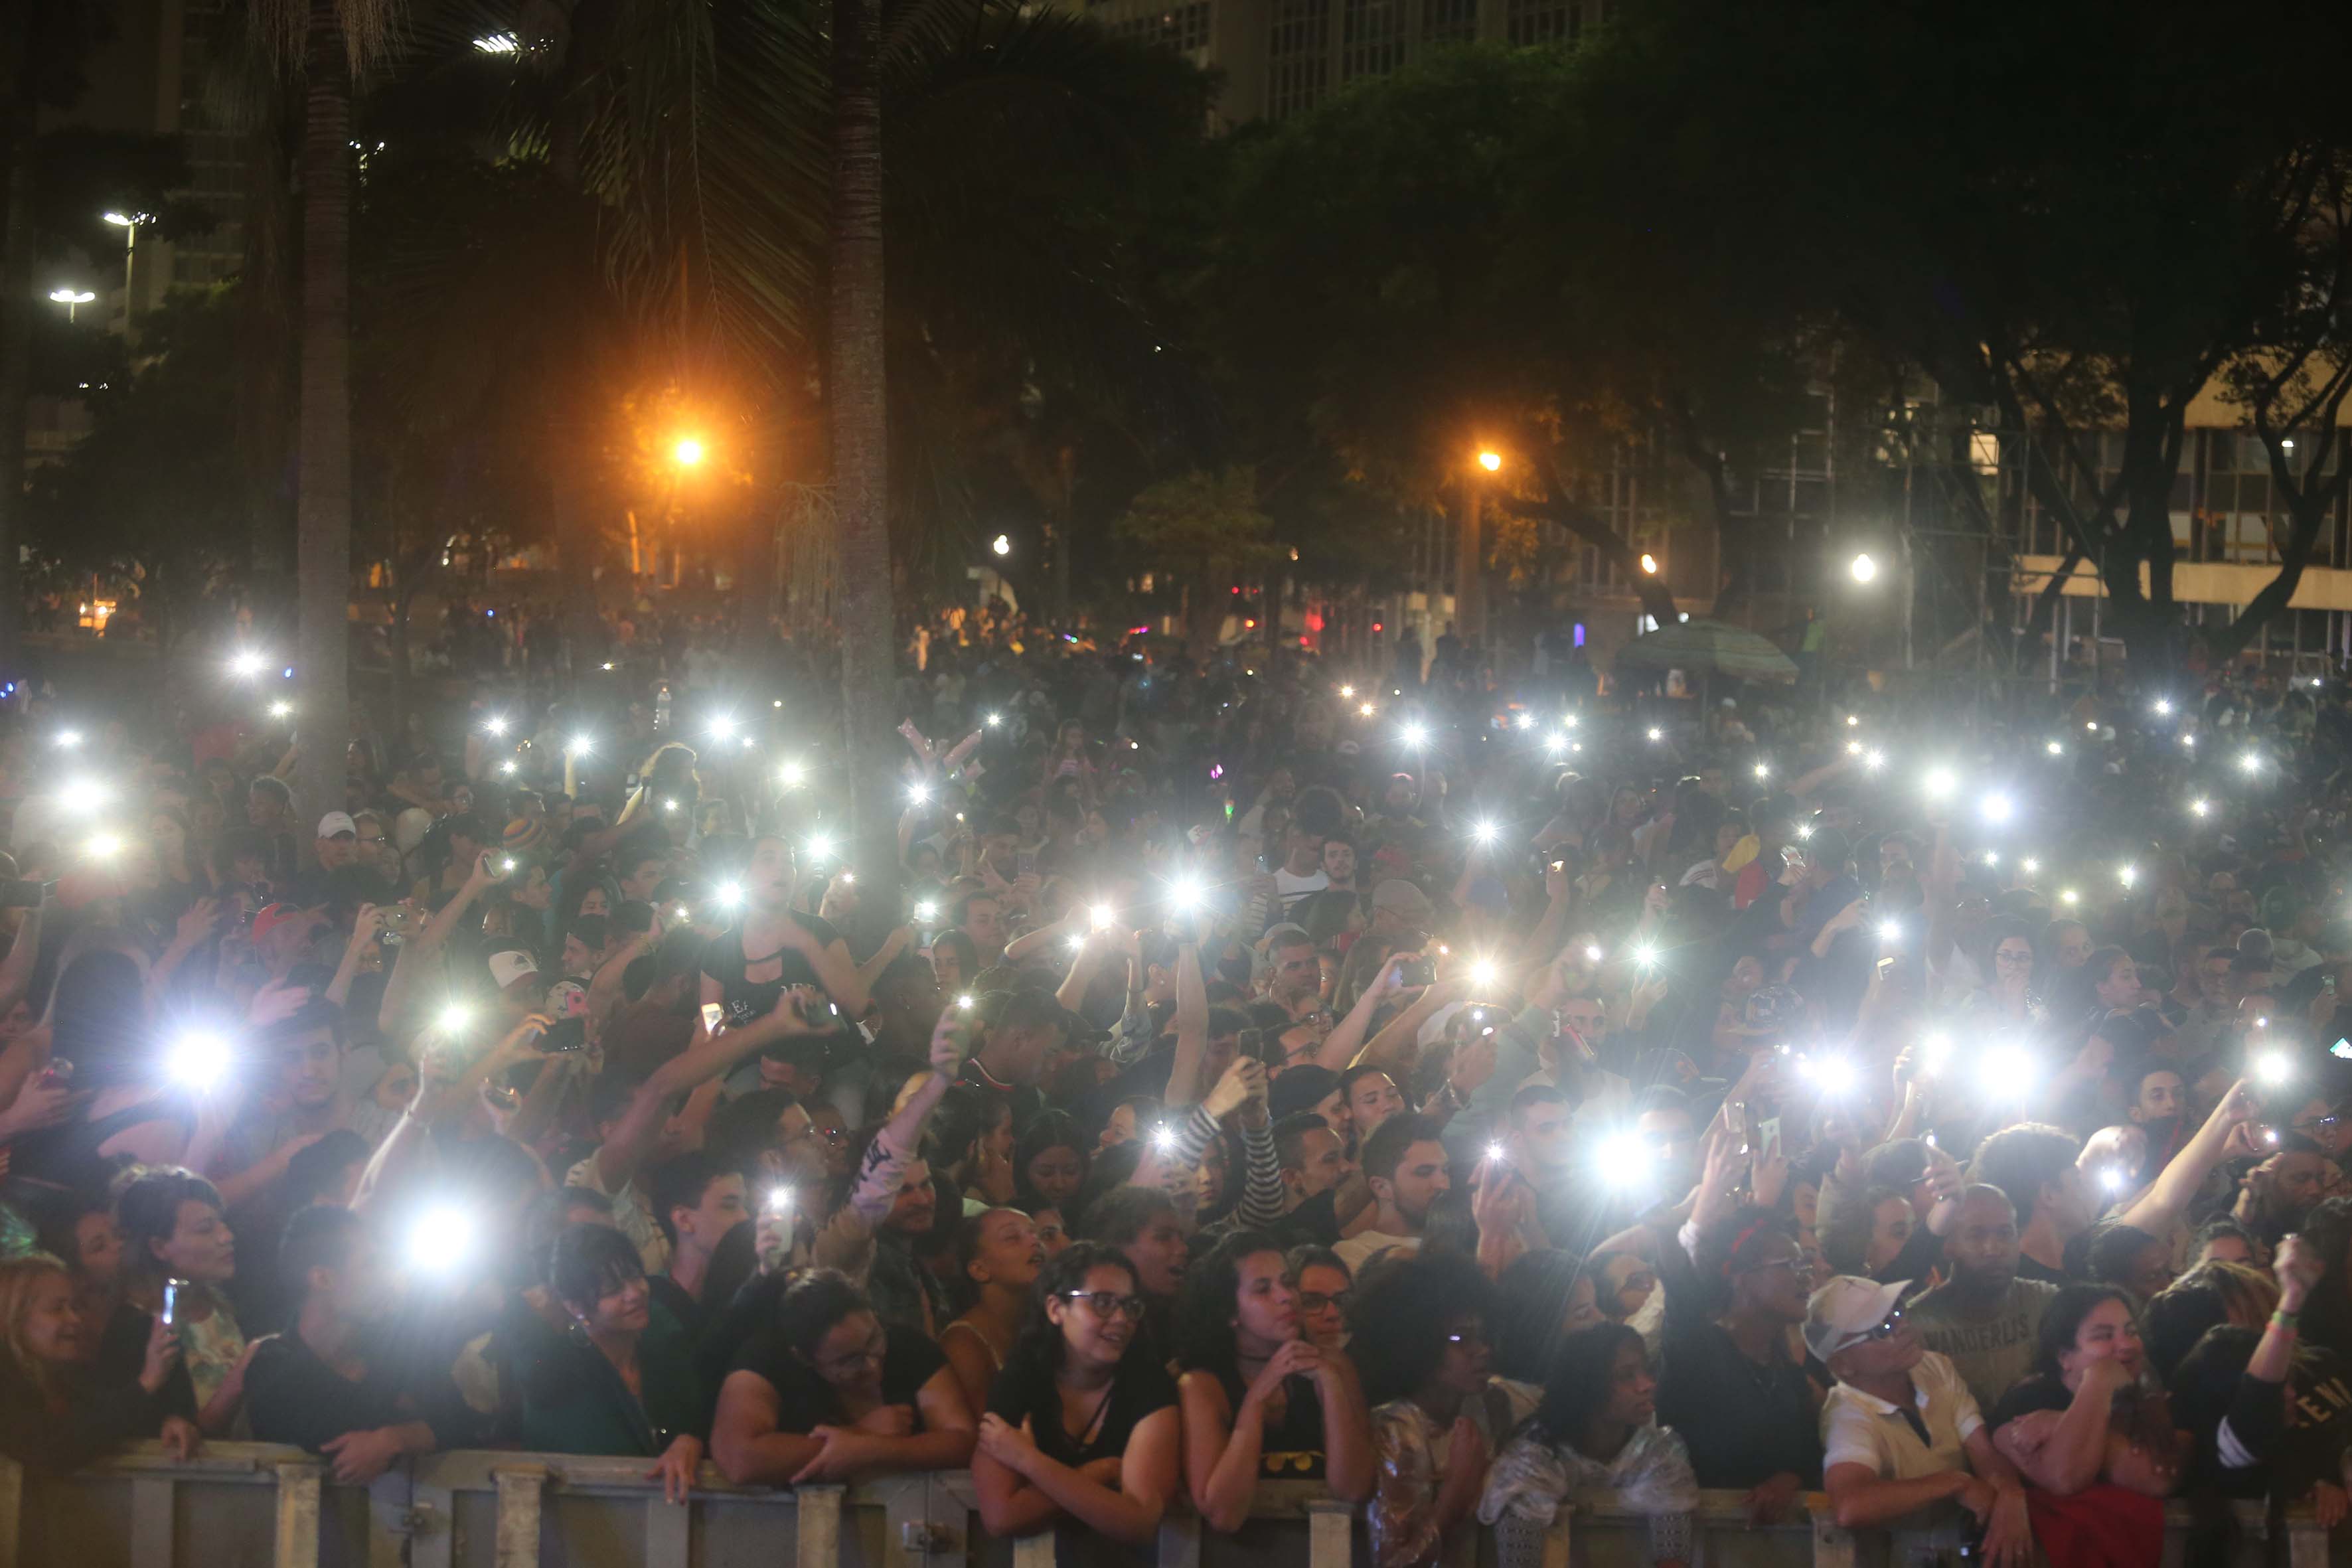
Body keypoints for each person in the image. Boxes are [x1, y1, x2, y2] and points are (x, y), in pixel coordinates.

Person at [1807, 1274, 2034, 1567]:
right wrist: (1956, 1483)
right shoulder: (1847, 1415)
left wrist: (2011, 1495)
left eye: (1899, 1312)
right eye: (1882, 1329)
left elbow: (1984, 1452)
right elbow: (1851, 1505)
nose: (1903, 1328)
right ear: (1842, 1365)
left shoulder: (1934, 1367)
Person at [971, 1242, 1182, 1546]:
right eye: (1102, 1302)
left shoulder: (1149, 1384)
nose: (1122, 1319)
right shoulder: (1021, 1379)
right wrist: (1096, 1473)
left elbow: (1139, 1523)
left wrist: (1028, 1460)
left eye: (1130, 1306)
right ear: (1056, 1309)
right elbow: (1001, 1517)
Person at [1172, 1231, 1374, 1529]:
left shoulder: (1335, 1366)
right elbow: (1223, 1514)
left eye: (1288, 1282)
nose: (1286, 1296)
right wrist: (1257, 1399)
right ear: (1231, 1313)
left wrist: (1330, 1383)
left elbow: (1353, 1489)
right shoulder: (1203, 1385)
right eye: (1263, 1289)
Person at [1346, 1257, 1537, 1568]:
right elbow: (1395, 1563)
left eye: (1484, 1336)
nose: (1483, 1349)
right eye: (1460, 1339)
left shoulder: (1492, 1406)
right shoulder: (1397, 1427)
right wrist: (1456, 1493)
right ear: (1417, 1344)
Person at [246, 1206, 460, 1482]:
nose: (388, 1278)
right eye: (371, 1264)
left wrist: (393, 1438)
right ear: (323, 1278)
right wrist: (414, 1427)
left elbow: (464, 1420)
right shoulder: (271, 1366)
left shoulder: (391, 1349)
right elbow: (334, 1440)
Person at [710, 1269, 976, 1485]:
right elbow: (739, 1458)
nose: (872, 1365)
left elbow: (962, 1440)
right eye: (850, 1361)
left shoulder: (908, 1345)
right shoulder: (766, 1357)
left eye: (874, 1340)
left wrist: (873, 1449)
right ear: (805, 1358)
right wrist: (861, 1432)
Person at [1478, 1324, 1697, 1566]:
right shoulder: (1534, 1456)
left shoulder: (1657, 1451)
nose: (1646, 1385)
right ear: (1590, 1386)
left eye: (1646, 1371)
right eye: (1627, 1376)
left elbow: (1673, 1559)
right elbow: (1519, 1562)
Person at [1652, 1208, 1821, 1520]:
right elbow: (1681, 1291)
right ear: (1740, 1278)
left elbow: (1810, 1448)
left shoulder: (1784, 1369)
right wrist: (1664, 1229)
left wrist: (1791, 1477)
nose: (1806, 1276)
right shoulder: (1696, 1351)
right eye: (1789, 1265)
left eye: (1805, 1264)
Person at [520, 1223, 708, 1500]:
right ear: (575, 1307)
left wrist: (691, 1439)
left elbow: (697, 1417)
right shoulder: (556, 1376)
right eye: (612, 1290)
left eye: (635, 1276)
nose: (635, 1293)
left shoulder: (664, 1349)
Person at [0, 1253, 198, 1468]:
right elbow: (53, 1446)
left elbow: (102, 1420)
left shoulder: (71, 1379)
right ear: (13, 1318)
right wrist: (147, 1382)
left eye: (75, 1307)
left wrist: (167, 1424)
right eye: (57, 1309)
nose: (75, 1319)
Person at [97, 1166, 249, 1435]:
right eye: (206, 1229)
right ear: (159, 1247)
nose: (227, 1237)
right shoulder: (134, 1330)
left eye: (222, 1223)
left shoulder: (231, 1305)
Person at [1904, 1185, 2063, 1414]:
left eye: (2005, 1233)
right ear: (1948, 1245)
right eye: (1976, 1235)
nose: (1993, 1249)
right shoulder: (1916, 1323)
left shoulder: (2046, 1303)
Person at [941, 1207, 1046, 1417]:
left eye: (1035, 1233)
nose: (1035, 1242)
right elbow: (987, 1437)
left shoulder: (1050, 1321)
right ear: (979, 1270)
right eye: (1013, 1238)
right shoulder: (963, 1346)